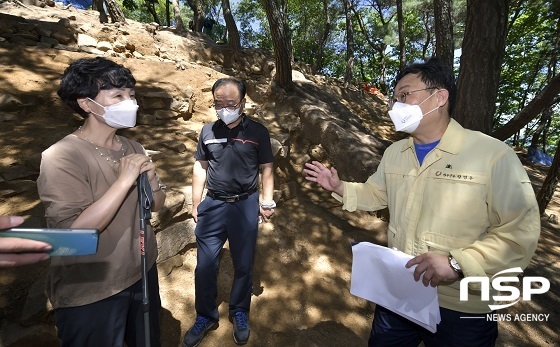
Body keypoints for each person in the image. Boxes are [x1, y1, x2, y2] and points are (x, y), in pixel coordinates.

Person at [304, 58, 541, 346]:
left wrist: (457, 264)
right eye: (394, 99)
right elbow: (377, 194)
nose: (395, 106)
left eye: (404, 95)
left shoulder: (492, 155)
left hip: (462, 307)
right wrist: (339, 186)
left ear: (439, 97)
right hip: (399, 291)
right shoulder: (395, 153)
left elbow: (520, 232)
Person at [37, 57, 166, 347]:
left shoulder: (133, 146)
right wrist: (123, 181)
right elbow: (73, 232)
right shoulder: (61, 156)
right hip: (92, 290)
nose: (129, 103)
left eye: (131, 95)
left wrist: (151, 178)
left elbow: (157, 204)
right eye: (117, 95)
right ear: (86, 104)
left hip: (141, 273)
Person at [183, 78, 275, 347]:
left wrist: (266, 202)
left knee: (244, 264)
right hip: (212, 206)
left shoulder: (258, 132)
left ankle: (239, 312)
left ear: (243, 103)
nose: (224, 108)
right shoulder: (208, 131)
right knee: (205, 265)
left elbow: (267, 168)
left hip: (245, 205)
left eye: (231, 103)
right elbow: (200, 166)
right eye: (218, 103)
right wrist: (195, 202)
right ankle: (205, 316)